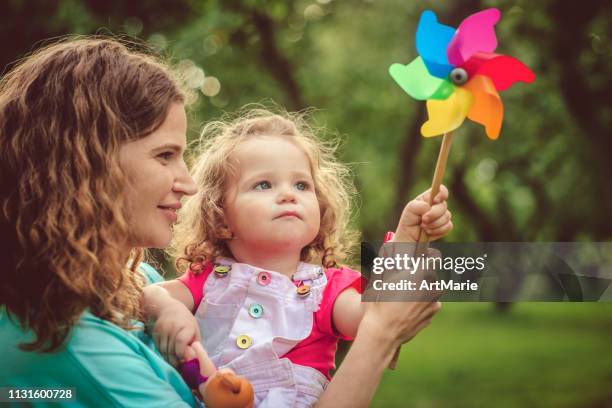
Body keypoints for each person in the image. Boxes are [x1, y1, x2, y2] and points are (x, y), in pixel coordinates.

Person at [0, 36, 446, 408]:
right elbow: (378, 322)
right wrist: (382, 335)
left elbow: (371, 311)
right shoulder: (69, 347)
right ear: (85, 165)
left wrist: (406, 244)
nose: (188, 184)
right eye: (164, 155)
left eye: (302, 186)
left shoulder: (130, 282)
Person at [142, 110, 453, 406]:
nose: (289, 194)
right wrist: (168, 310)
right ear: (221, 217)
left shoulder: (327, 287)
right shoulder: (209, 277)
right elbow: (149, 293)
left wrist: (406, 239)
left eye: (302, 184)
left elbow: (376, 315)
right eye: (264, 184)